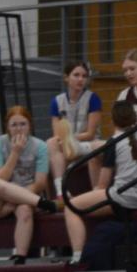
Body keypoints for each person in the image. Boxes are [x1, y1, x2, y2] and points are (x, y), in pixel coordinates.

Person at [61, 100, 137, 262]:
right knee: (98, 159)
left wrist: (95, 193)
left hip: (129, 200)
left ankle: (77, 257)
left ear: (112, 121)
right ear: (135, 117)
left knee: (71, 207)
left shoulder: (115, 141)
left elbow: (103, 185)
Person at [0, 105, 53, 263]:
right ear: (7, 127)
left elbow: (40, 183)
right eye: (14, 125)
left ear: (30, 125)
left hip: (27, 197)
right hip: (1, 202)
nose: (19, 129)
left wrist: (19, 198)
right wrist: (15, 152)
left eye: (23, 124)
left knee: (25, 211)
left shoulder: (40, 146)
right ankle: (43, 203)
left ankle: (20, 256)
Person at [47, 57, 103, 200]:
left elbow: (90, 134)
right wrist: (65, 140)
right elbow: (56, 134)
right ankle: (61, 192)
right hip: (67, 146)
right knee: (51, 143)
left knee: (53, 150)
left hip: (87, 145)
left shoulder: (93, 98)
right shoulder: (56, 101)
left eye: (84, 76)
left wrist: (69, 138)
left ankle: (91, 194)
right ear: (66, 78)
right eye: (76, 75)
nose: (81, 79)